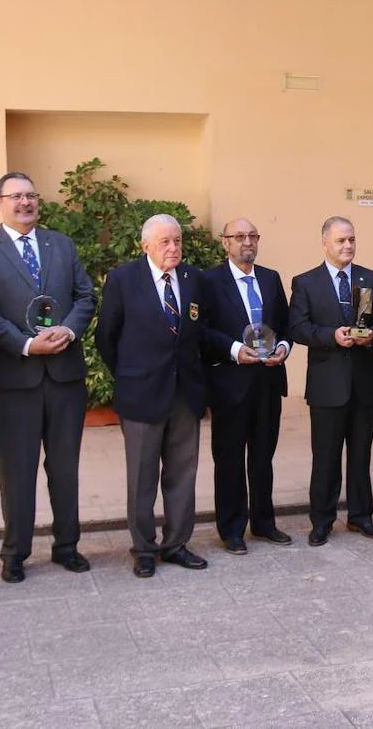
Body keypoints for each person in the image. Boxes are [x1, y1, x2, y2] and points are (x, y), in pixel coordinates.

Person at [0, 172, 97, 583]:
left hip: (63, 375)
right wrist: (26, 345)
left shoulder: (63, 244)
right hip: (12, 378)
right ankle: (15, 552)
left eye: (30, 195)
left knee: (65, 467)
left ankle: (67, 546)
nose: (25, 202)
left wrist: (69, 330)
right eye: (15, 196)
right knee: (16, 469)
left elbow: (85, 296)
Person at [94, 214, 208, 577]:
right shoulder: (124, 279)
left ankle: (176, 544)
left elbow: (199, 333)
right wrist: (130, 375)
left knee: (182, 473)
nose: (173, 248)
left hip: (184, 393)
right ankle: (143, 548)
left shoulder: (193, 279)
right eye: (164, 242)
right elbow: (106, 337)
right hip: (141, 393)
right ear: (145, 246)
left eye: (177, 241)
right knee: (142, 477)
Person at [289, 216, 373, 546]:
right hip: (326, 385)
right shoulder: (305, 282)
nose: (347, 245)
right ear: (325, 243)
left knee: (361, 454)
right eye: (340, 241)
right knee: (325, 456)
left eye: (351, 239)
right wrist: (332, 336)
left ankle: (361, 516)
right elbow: (298, 328)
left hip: (364, 383)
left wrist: (372, 337)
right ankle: (322, 520)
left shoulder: (372, 278)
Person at [201, 218, 293, 554]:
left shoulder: (270, 278)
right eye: (239, 236)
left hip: (268, 381)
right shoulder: (209, 281)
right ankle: (232, 529)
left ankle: (264, 523)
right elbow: (204, 330)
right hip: (230, 383)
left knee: (262, 457)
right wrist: (235, 350)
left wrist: (284, 347)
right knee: (229, 459)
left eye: (253, 235)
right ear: (225, 243)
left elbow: (284, 325)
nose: (247, 242)